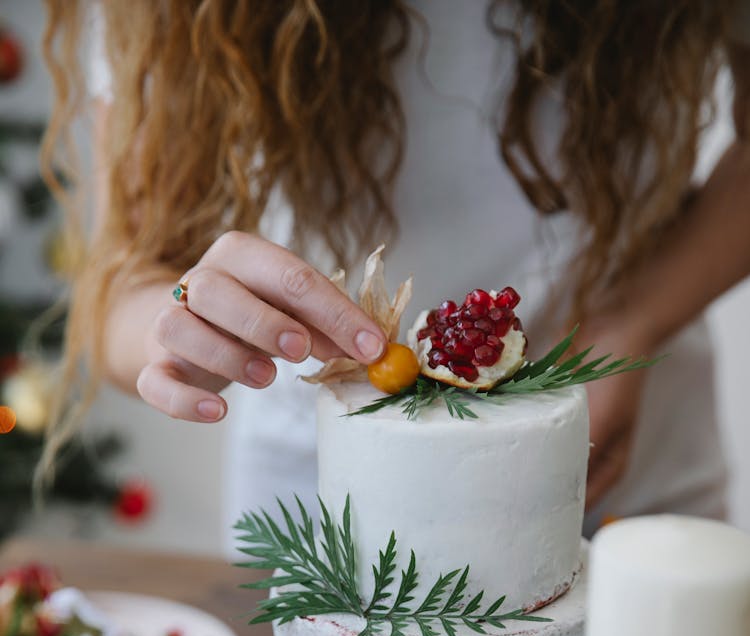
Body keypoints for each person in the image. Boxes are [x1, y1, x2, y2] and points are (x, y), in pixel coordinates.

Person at [41, 1, 750, 549]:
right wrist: (174, 327)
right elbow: (125, 276)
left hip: (624, 473)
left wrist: (636, 320)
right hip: (331, 505)